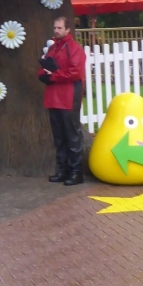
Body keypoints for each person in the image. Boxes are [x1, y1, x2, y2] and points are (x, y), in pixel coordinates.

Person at [38, 16, 87, 186]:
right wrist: (43, 75)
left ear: (68, 29)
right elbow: (44, 67)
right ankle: (63, 170)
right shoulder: (53, 48)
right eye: (55, 27)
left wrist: (53, 76)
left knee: (72, 135)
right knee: (59, 136)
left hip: (68, 97)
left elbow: (74, 72)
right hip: (54, 97)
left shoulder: (74, 49)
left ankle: (76, 172)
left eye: (59, 28)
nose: (56, 30)